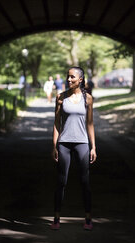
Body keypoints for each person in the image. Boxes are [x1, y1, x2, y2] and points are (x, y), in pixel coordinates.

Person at [51, 66, 97, 230]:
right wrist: (54, 145)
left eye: (72, 77)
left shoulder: (88, 99)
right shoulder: (61, 97)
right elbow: (57, 123)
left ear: (80, 80)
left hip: (82, 144)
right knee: (61, 181)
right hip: (64, 144)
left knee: (85, 181)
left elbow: (90, 124)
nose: (69, 80)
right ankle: (56, 219)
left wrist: (93, 147)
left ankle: (88, 219)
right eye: (67, 77)